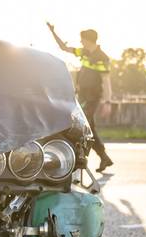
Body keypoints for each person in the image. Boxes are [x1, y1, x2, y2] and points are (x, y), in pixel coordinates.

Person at [46, 22, 113, 172]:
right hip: (82, 96)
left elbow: (106, 80)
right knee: (89, 127)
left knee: (84, 126)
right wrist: (53, 31)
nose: (81, 41)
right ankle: (103, 157)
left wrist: (108, 102)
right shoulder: (83, 52)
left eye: (82, 39)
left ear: (89, 40)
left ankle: (82, 161)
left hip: (92, 97)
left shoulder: (102, 57)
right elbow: (64, 48)